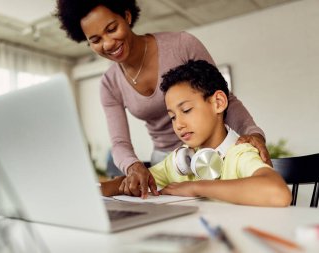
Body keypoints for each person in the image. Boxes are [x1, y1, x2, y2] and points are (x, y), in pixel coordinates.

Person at [55, 0, 271, 198]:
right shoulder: (109, 83)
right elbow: (120, 143)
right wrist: (132, 167)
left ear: (127, 17)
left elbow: (224, 97)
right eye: (95, 40)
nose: (108, 43)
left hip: (209, 155)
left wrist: (253, 133)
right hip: (168, 164)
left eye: (112, 29)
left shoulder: (181, 44)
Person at [101, 60, 291, 207]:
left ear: (218, 102)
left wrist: (195, 187)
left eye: (186, 110)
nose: (179, 124)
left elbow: (278, 193)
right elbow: (131, 183)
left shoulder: (239, 153)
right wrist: (111, 185)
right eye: (172, 117)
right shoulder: (180, 162)